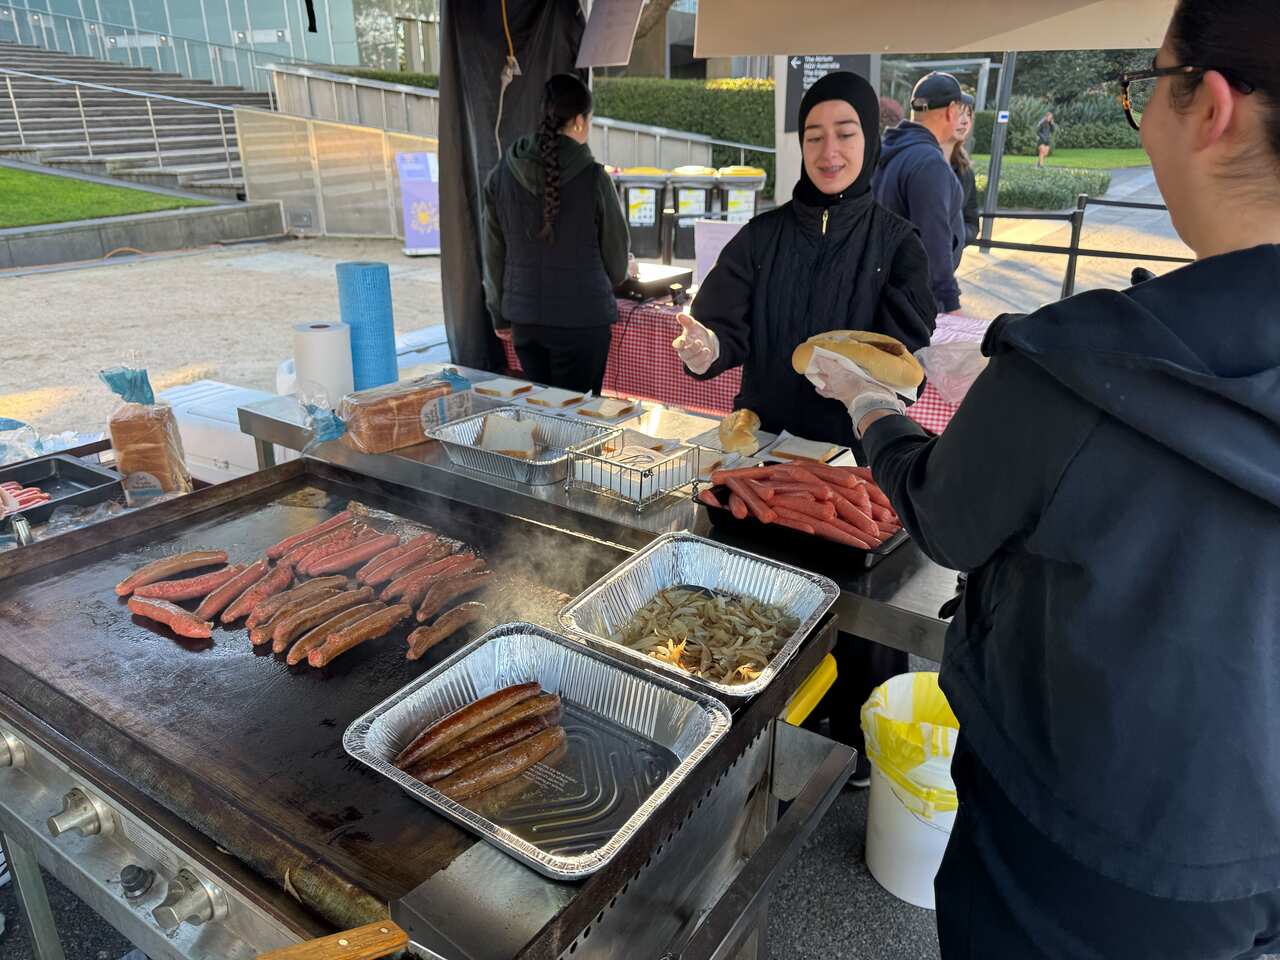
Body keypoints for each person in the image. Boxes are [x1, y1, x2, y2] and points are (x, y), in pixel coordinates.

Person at [808, 0, 1280, 954]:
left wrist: (867, 405)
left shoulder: (1081, 360)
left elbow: (944, 516)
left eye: (1147, 83)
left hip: (1075, 841)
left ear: (1212, 106)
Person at [671, 70, 937, 782]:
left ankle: (854, 731)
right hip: (765, 454)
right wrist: (706, 348)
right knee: (762, 592)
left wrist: (863, 385)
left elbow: (905, 350)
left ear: (869, 142)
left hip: (855, 457)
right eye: (814, 134)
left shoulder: (897, 242)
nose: (829, 149)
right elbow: (718, 326)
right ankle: (759, 714)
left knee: (856, 599)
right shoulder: (761, 237)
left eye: (845, 133)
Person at [481, 74, 630, 394]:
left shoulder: (502, 173)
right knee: (579, 424)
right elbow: (617, 267)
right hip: (582, 323)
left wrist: (499, 315)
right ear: (579, 121)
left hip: (526, 322)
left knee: (544, 418)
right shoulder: (594, 178)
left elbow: (492, 253)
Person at [873, 72, 968, 313]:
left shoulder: (889, 151)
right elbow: (934, 241)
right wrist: (950, 304)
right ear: (951, 110)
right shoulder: (929, 164)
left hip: (884, 293)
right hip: (913, 305)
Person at [948, 100, 980, 247]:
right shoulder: (919, 160)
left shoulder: (965, 169)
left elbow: (972, 222)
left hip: (945, 263)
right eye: (960, 113)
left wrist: (955, 238)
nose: (965, 121)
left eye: (968, 114)